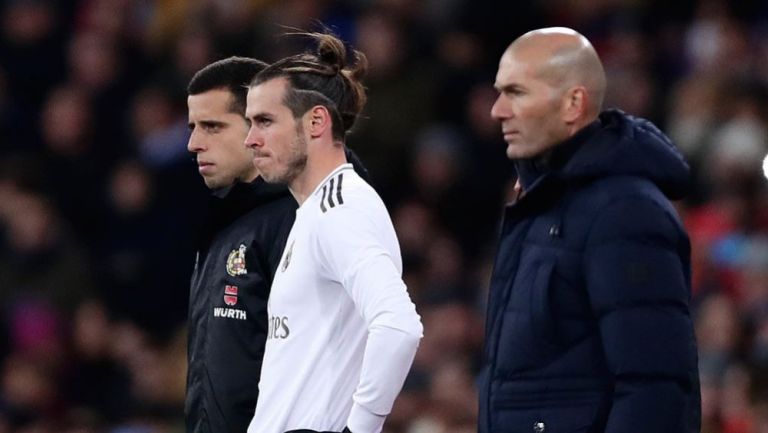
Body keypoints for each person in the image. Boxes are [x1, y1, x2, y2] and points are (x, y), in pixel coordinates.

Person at [480, 27, 701, 433]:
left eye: (516, 92)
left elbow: (655, 388)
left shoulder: (626, 212)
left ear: (573, 103)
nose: (497, 110)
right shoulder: (541, 205)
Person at [243, 33, 423, 433]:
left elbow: (399, 326)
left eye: (265, 121)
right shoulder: (315, 211)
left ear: (317, 121)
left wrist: (360, 428)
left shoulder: (339, 209)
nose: (250, 139)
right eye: (250, 123)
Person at [185, 56, 298, 433]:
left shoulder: (296, 220)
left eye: (212, 127)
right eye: (193, 127)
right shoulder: (224, 223)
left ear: (257, 125)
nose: (193, 143)